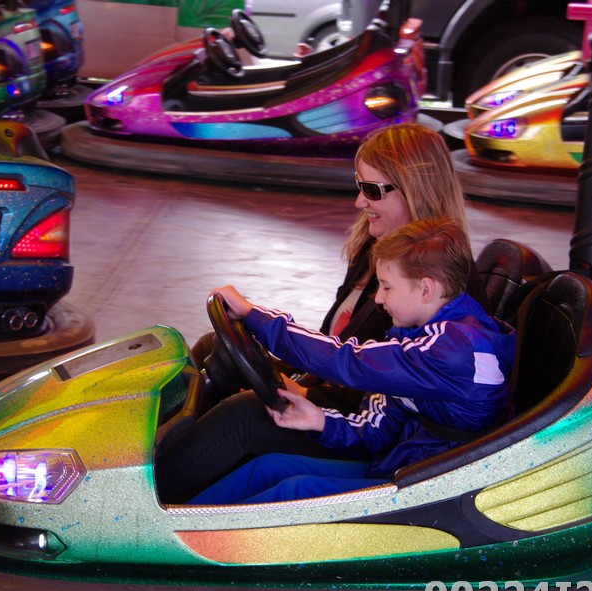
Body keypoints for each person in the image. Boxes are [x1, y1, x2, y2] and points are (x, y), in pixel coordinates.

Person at [154, 122, 490, 503]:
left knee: (244, 416)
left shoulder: (440, 289)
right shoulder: (377, 249)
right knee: (214, 348)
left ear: (416, 191)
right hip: (347, 395)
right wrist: (297, 377)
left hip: (374, 432)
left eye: (372, 190)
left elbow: (369, 373)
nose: (359, 202)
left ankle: (140, 504)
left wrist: (306, 391)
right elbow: (341, 344)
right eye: (359, 185)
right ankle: (154, 463)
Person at [188, 218, 516, 505]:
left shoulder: (454, 349)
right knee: (268, 468)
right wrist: (320, 420)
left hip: (430, 491)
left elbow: (347, 360)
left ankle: (193, 550)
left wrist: (254, 316)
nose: (379, 298)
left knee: (296, 490)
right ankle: (172, 531)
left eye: (387, 286)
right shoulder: (418, 338)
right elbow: (377, 430)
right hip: (404, 464)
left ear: (426, 289)